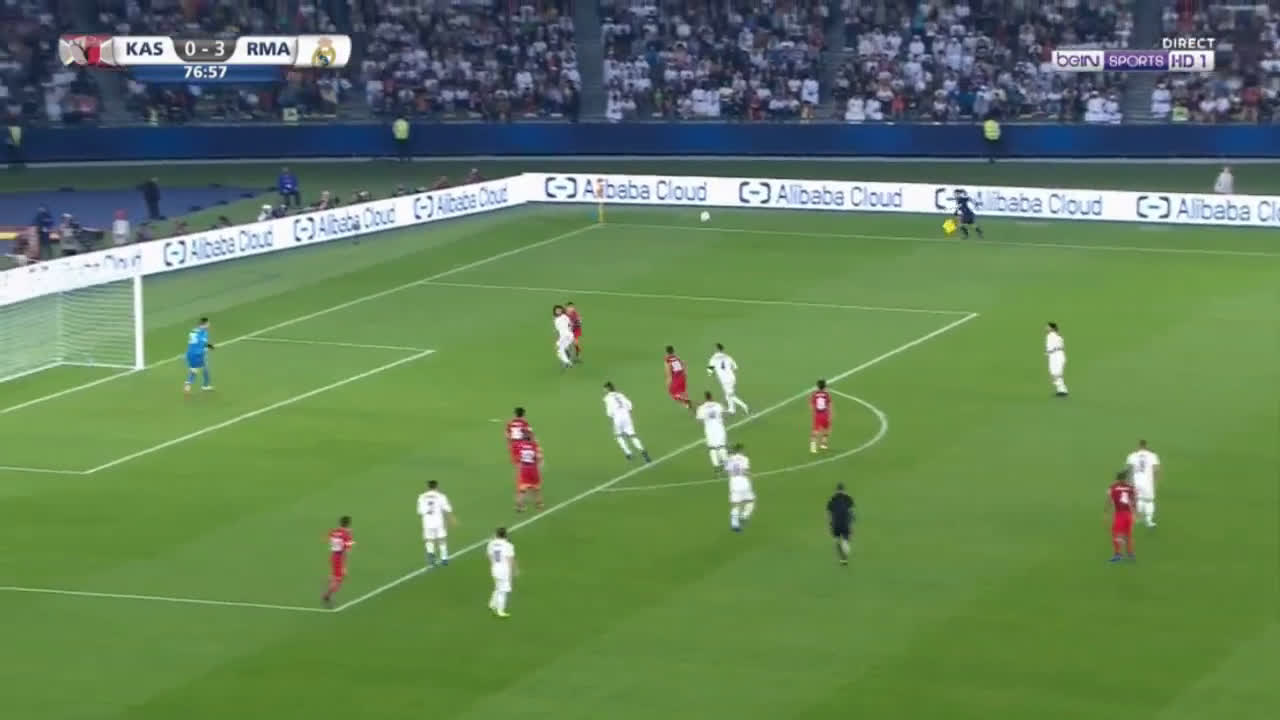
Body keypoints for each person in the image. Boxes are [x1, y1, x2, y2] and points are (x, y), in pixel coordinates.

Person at [603, 381, 650, 462]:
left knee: (619, 436)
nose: (604, 390)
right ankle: (642, 450)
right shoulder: (620, 395)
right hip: (626, 416)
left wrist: (612, 417)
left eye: (604, 389)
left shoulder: (607, 398)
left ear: (607, 389)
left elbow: (609, 413)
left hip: (617, 417)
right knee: (632, 435)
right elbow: (630, 405)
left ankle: (628, 453)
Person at [416, 480, 456, 567]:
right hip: (438, 522)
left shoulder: (421, 497)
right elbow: (447, 509)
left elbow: (419, 511)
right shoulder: (441, 496)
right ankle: (444, 559)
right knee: (442, 539)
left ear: (428, 487)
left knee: (429, 540)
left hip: (427, 522)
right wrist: (451, 519)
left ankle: (431, 557)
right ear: (437, 486)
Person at [1124, 440, 1161, 528]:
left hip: (1136, 481)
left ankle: (1138, 518)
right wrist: (1156, 481)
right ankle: (1149, 521)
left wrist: (1128, 482)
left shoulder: (1132, 455)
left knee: (1138, 499)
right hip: (1148, 482)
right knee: (1149, 501)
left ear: (1139, 446)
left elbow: (1128, 469)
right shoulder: (1153, 456)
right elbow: (1156, 469)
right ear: (1146, 446)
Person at [707, 343, 749, 415]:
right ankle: (731, 409)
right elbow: (735, 368)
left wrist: (714, 374)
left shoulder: (713, 358)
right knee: (728, 394)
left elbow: (709, 371)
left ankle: (744, 406)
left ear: (716, 349)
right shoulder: (728, 357)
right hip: (732, 378)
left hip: (725, 380)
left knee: (729, 396)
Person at [323, 515, 354, 607]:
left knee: (336, 576)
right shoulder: (347, 535)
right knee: (338, 582)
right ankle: (327, 596)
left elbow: (329, 540)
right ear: (348, 524)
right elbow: (347, 551)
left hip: (333, 555)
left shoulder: (333, 531)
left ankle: (331, 579)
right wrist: (344, 567)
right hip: (339, 558)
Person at [486, 527, 517, 618]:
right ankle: (500, 611)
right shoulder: (508, 545)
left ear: (496, 534)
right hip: (504, 570)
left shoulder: (491, 543)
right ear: (506, 535)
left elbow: (489, 555)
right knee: (503, 591)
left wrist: (493, 564)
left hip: (495, 568)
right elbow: (510, 560)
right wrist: (512, 572)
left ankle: (492, 604)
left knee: (498, 586)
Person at [695, 390, 729, 470]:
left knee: (712, 448)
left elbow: (699, 420)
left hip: (709, 429)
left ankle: (716, 466)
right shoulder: (718, 405)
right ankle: (726, 464)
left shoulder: (701, 408)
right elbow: (724, 414)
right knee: (721, 446)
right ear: (711, 397)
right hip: (719, 427)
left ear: (705, 398)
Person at [726, 443, 755, 532]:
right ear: (741, 450)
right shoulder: (745, 459)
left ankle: (734, 524)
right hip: (744, 483)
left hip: (733, 484)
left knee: (736, 505)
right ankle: (744, 515)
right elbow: (745, 471)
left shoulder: (729, 459)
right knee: (750, 501)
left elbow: (729, 472)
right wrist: (750, 474)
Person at [1107, 471, 1136, 562]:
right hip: (1128, 514)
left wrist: (1106, 512)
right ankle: (1130, 554)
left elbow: (1109, 500)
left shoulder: (1113, 488)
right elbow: (1134, 501)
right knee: (1128, 535)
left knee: (1116, 534)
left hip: (1120, 514)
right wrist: (1135, 513)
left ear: (1118, 479)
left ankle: (1118, 555)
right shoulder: (1130, 488)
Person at [184, 317, 215, 394]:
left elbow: (196, 343)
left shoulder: (193, 330)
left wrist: (208, 345)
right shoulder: (203, 333)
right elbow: (201, 345)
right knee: (204, 368)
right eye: (208, 323)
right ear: (204, 324)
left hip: (189, 354)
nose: (209, 325)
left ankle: (188, 384)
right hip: (198, 354)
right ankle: (205, 386)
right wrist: (208, 348)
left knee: (194, 370)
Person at [512, 437, 544, 512]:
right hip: (533, 469)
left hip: (524, 469)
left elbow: (517, 458)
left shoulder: (520, 447)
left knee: (522, 489)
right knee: (536, 489)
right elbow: (539, 458)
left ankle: (519, 506)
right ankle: (539, 505)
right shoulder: (533, 447)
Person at [827, 484, 855, 565]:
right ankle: (845, 556)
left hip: (836, 523)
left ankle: (842, 558)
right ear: (843, 490)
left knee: (837, 540)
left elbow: (829, 513)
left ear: (836, 490)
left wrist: (830, 524)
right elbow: (851, 512)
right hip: (845, 523)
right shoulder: (848, 498)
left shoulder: (832, 499)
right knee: (846, 540)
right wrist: (851, 524)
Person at [1045, 322, 1068, 397]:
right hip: (1055, 355)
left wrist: (1049, 352)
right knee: (1054, 372)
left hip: (1056, 355)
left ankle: (1062, 389)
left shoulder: (1052, 335)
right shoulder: (1056, 335)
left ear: (1052, 328)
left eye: (1048, 327)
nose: (1046, 328)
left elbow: (1053, 346)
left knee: (1056, 372)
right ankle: (1061, 389)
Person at [810, 379, 832, 453]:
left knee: (815, 431)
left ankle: (813, 448)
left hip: (817, 414)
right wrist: (830, 414)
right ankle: (823, 444)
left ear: (817, 386)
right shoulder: (826, 394)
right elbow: (829, 405)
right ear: (825, 386)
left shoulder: (814, 394)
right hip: (825, 414)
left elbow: (812, 405)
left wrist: (813, 413)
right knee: (826, 429)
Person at [552, 305, 574, 370]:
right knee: (561, 350)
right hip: (566, 336)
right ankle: (567, 361)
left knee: (559, 350)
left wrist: (569, 330)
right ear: (555, 311)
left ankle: (567, 362)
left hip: (565, 336)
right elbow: (559, 328)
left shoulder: (564, 316)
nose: (558, 311)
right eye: (557, 310)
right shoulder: (556, 319)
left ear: (561, 310)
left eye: (559, 310)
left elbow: (570, 324)